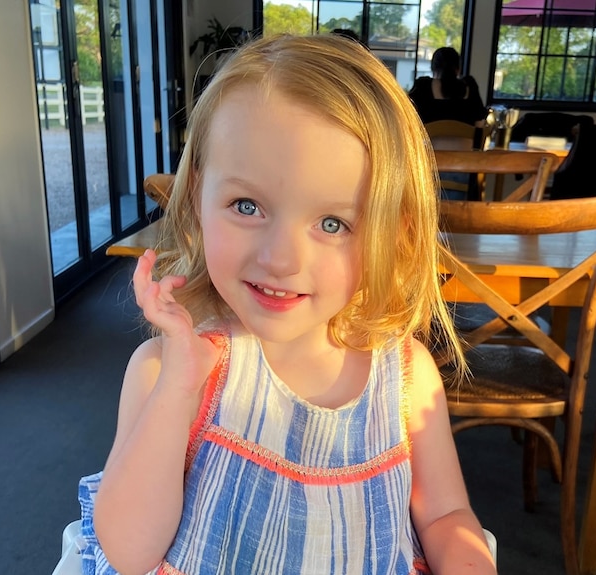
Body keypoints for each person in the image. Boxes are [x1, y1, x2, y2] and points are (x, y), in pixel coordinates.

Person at [78, 33, 497, 575]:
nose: (281, 259)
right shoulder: (167, 371)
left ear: (393, 236)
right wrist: (178, 387)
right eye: (246, 205)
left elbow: (444, 514)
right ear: (198, 199)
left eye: (332, 223)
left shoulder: (408, 376)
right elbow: (130, 554)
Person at [409, 46, 487, 125]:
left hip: (429, 137)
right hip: (465, 137)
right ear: (458, 69)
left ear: (433, 68)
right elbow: (479, 124)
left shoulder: (423, 86)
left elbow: (407, 116)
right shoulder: (470, 86)